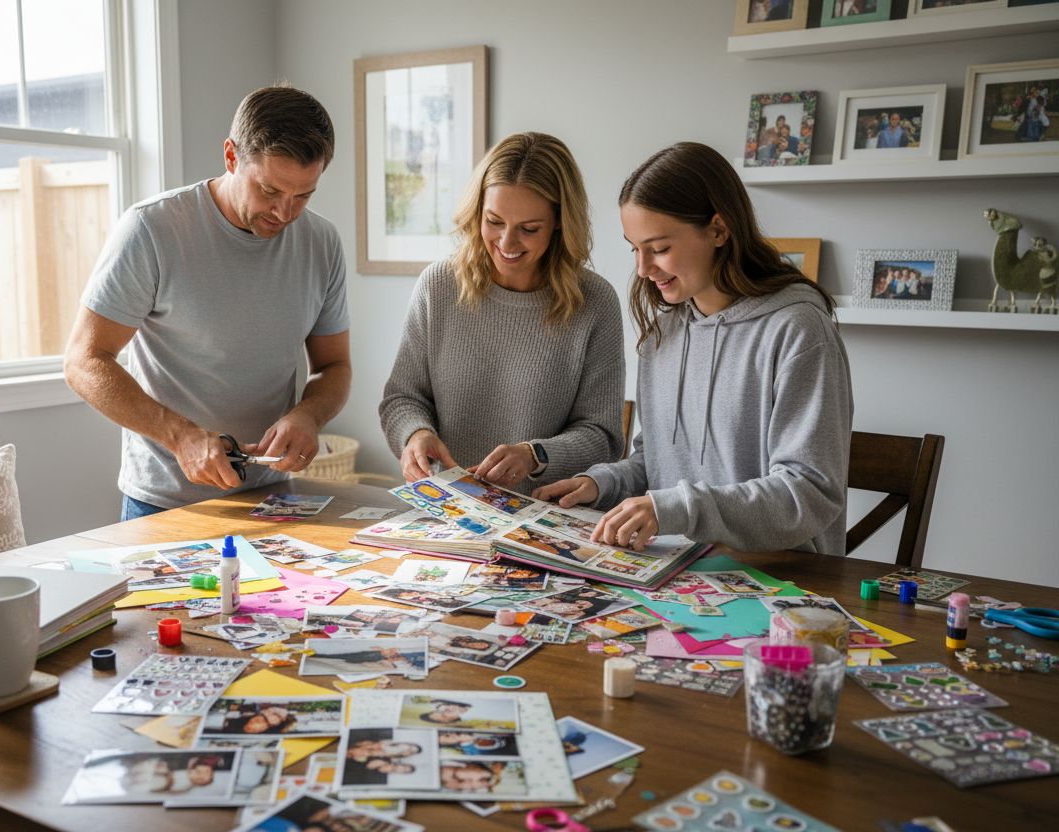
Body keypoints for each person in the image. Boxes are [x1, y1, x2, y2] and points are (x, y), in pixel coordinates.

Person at [535, 142, 852, 556]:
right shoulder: (661, 335)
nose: (643, 270)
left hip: (778, 584)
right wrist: (602, 484)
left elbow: (809, 493)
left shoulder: (799, 331)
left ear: (719, 230)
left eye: (660, 248)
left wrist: (678, 508)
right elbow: (658, 466)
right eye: (635, 248)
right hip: (672, 576)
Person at [64, 85, 351, 520]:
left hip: (271, 498)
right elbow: (84, 361)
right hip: (162, 503)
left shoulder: (322, 242)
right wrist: (180, 436)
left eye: (303, 195)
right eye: (270, 190)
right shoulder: (152, 230)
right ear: (232, 156)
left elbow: (334, 367)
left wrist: (309, 415)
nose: (285, 212)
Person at [379, 132, 624, 492]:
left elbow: (603, 436)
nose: (507, 243)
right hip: (445, 516)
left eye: (528, 229)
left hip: (540, 524)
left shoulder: (595, 303)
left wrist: (536, 455)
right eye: (494, 221)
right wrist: (415, 434)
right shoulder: (439, 286)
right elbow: (402, 398)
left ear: (559, 222)